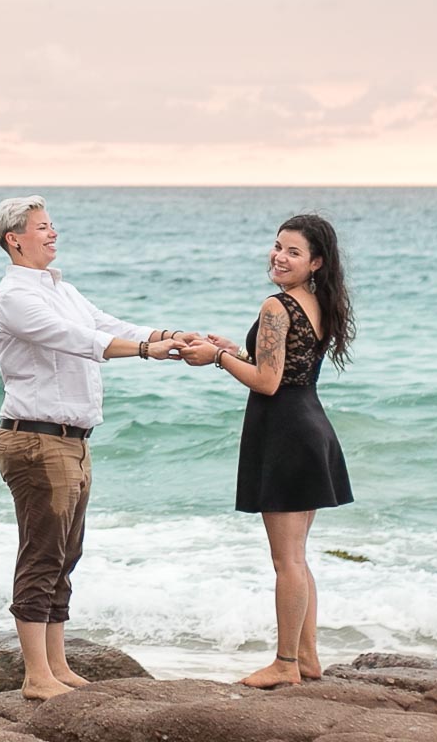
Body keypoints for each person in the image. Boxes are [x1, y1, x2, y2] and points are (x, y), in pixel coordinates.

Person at [0, 195, 199, 700]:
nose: (53, 233)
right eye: (43, 227)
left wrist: (171, 335)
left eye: (52, 225)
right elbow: (78, 339)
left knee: (66, 554)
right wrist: (150, 351)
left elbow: (108, 325)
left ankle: (56, 665)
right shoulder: (15, 297)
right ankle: (36, 676)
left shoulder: (63, 289)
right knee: (42, 555)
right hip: (36, 440)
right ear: (15, 239)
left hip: (71, 441)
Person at [179, 214, 355, 688]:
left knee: (287, 561)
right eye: (278, 246)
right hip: (309, 425)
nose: (279, 256)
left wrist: (216, 358)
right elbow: (283, 366)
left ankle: (284, 665)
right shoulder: (316, 301)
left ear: (315, 261)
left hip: (285, 433)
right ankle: (308, 657)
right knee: (298, 556)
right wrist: (234, 349)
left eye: (293, 252)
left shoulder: (277, 306)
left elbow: (267, 381)